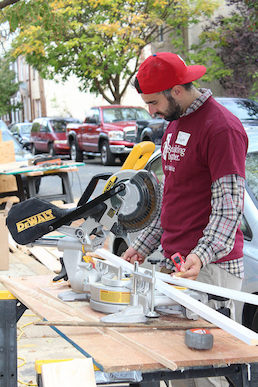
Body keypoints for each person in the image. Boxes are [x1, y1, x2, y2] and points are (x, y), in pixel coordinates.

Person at [123, 52, 248, 387]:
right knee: (176, 370)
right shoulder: (175, 125)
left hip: (211, 270)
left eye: (153, 102)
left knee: (209, 375)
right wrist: (142, 245)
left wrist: (200, 255)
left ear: (176, 90)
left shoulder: (221, 128)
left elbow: (228, 209)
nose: (150, 111)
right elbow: (172, 200)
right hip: (178, 265)